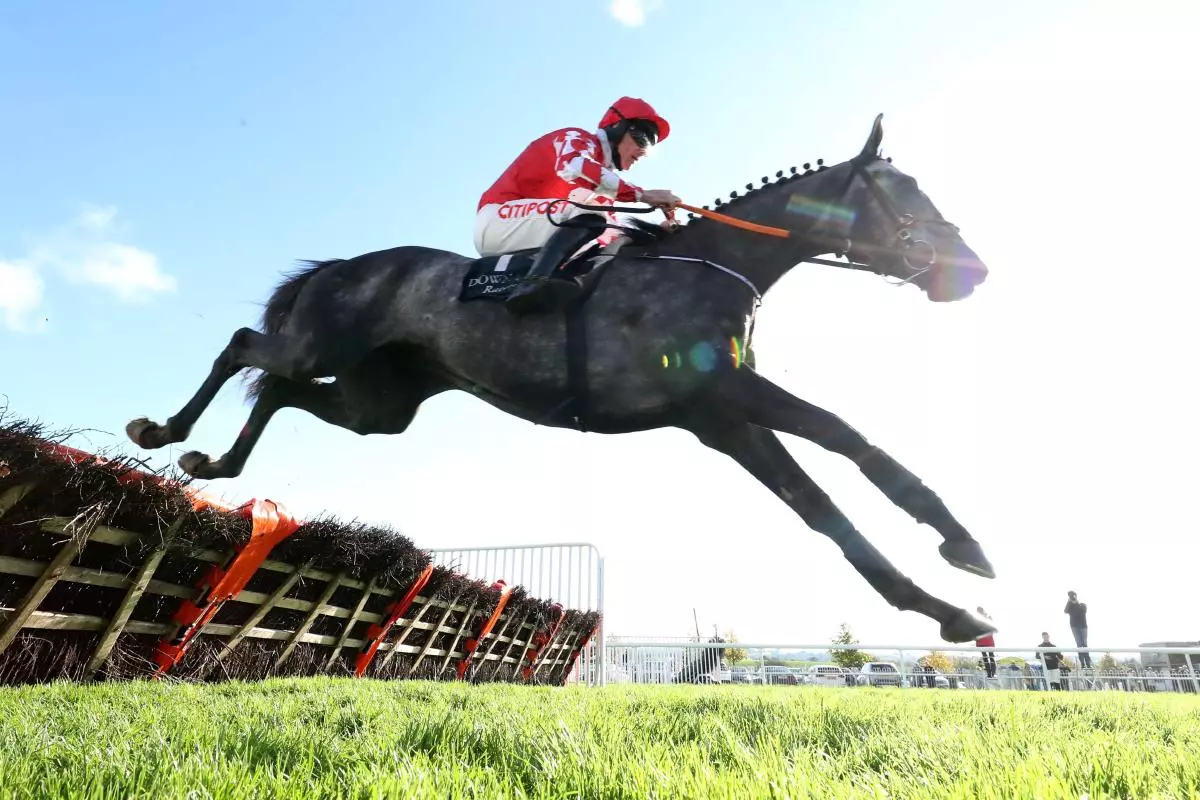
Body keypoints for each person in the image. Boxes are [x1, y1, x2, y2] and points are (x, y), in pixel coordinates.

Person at [474, 96, 681, 315]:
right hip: (496, 219)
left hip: (528, 231)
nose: (643, 152)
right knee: (591, 212)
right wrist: (643, 195)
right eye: (643, 139)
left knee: (609, 232)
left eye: (649, 147)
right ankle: (532, 285)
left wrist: (660, 235)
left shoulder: (601, 184)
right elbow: (574, 167)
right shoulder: (576, 138)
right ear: (617, 126)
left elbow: (610, 238)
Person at [1064, 590, 1092, 668]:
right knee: (1079, 645)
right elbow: (1065, 611)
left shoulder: (1082, 605)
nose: (1072, 597)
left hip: (1083, 626)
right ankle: (1082, 664)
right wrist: (1069, 602)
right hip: (1074, 627)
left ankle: (1088, 663)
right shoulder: (1069, 606)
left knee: (1084, 644)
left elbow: (1083, 611)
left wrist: (1076, 602)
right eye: (1070, 596)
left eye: (1073, 595)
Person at [975, 606, 997, 679]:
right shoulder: (977, 619)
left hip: (985, 641)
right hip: (982, 641)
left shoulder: (979, 618)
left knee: (989, 657)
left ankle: (991, 673)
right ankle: (990, 673)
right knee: (988, 657)